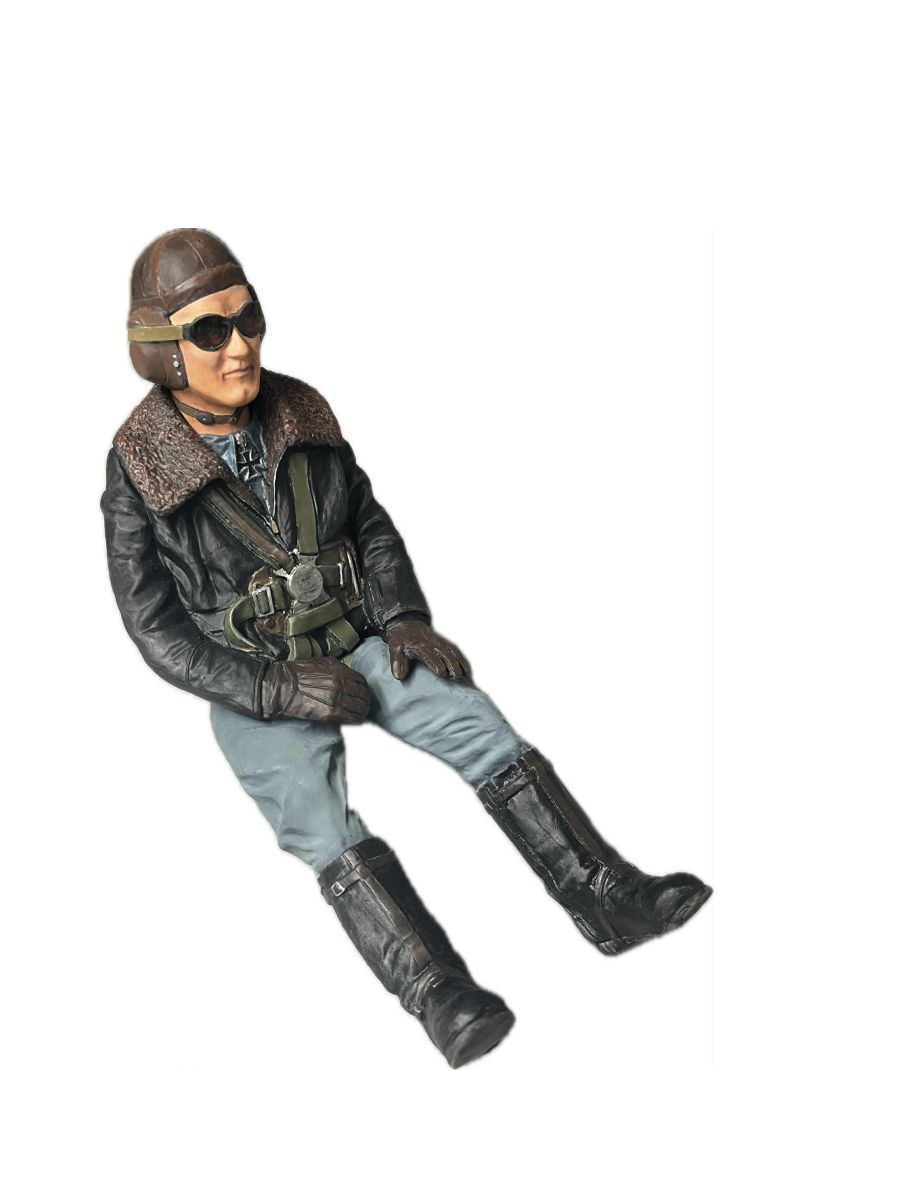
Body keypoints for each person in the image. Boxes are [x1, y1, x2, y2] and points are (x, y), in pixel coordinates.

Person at [102, 228, 711, 1069]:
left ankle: (605, 893)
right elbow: (154, 628)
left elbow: (368, 522)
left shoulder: (301, 409)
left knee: (474, 720)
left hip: (360, 637)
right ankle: (438, 993)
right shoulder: (140, 463)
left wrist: (402, 618)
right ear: (161, 350)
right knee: (316, 819)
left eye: (249, 320)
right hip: (254, 679)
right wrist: (274, 688)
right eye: (210, 331)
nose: (239, 347)